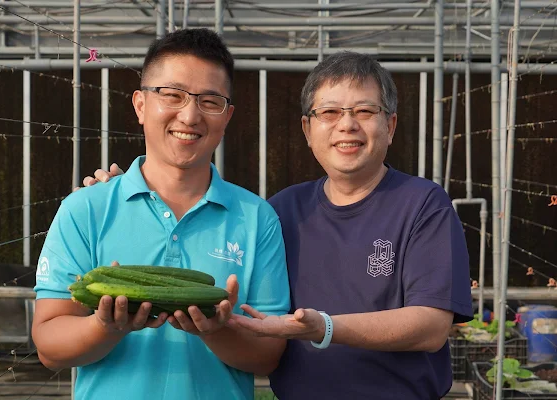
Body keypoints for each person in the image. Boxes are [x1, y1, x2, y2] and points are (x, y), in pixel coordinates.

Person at [85, 52, 473, 399]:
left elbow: (430, 326)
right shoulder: (281, 210)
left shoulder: (422, 204)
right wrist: (128, 190)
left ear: (390, 126)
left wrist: (324, 328)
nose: (347, 126)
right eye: (330, 113)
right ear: (307, 129)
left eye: (365, 112)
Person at [32, 28, 290, 400]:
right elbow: (49, 347)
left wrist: (217, 329)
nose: (189, 115)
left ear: (227, 115)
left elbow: (268, 356)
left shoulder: (258, 218)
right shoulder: (85, 209)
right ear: (139, 105)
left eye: (210, 101)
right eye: (172, 95)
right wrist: (107, 327)